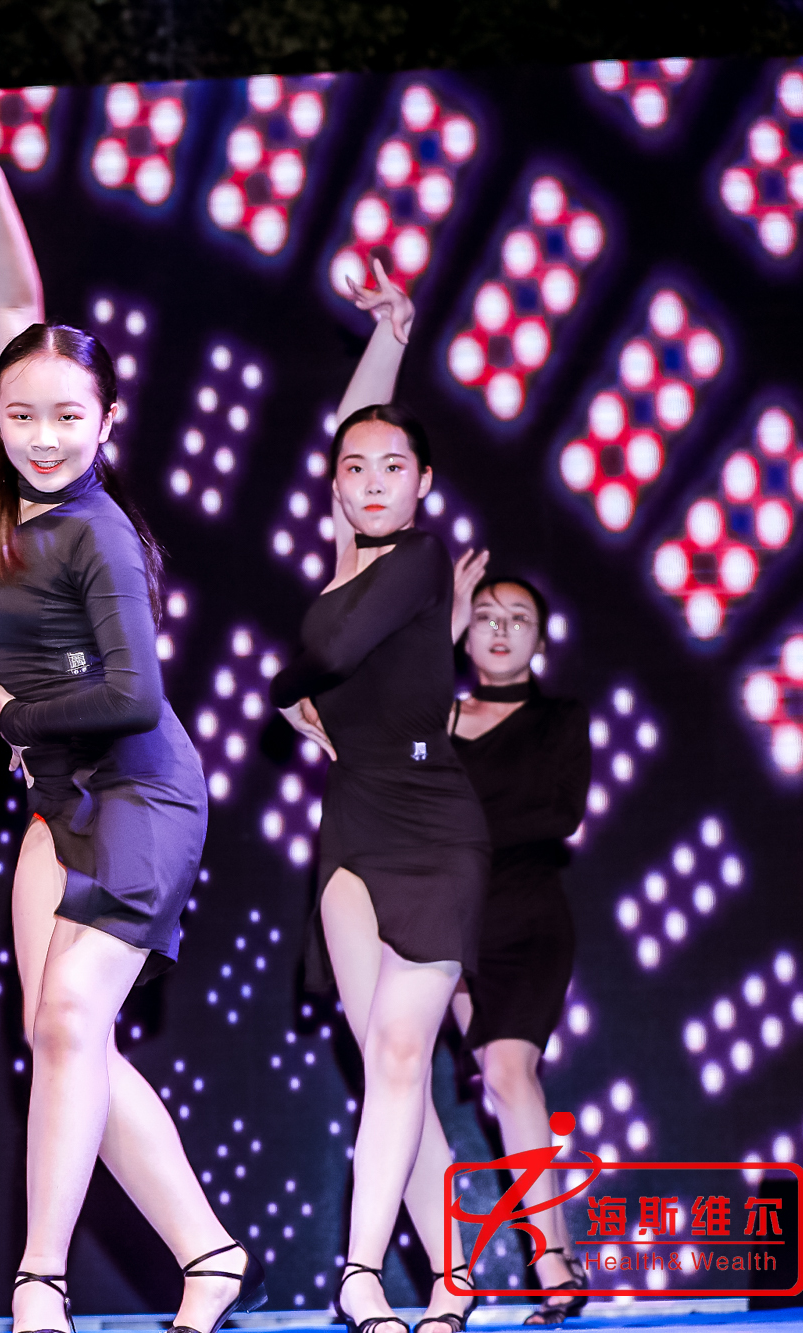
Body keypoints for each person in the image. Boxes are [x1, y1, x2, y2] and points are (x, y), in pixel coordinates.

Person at [0, 141, 261, 1333]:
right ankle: (208, 1250)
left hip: (140, 791)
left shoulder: (95, 532)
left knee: (66, 1024)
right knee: (63, 1038)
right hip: (59, 800)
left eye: (67, 417)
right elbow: (18, 314)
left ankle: (36, 1282)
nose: (43, 436)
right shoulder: (2, 491)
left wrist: (17, 717)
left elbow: (133, 693)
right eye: (21, 415)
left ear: (108, 419)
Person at [271, 273, 490, 1333]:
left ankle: (357, 1274)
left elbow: (327, 648)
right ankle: (456, 1274)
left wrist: (287, 690)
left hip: (437, 828)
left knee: (404, 1055)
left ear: (423, 483)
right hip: (353, 823)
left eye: (392, 468)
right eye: (352, 471)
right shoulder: (346, 556)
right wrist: (389, 335)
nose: (369, 481)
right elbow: (354, 431)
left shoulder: (420, 559)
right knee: (389, 1066)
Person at [444, 569, 591, 1324]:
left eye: (518, 618)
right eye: (486, 615)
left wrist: (460, 825)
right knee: (492, 1083)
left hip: (529, 916)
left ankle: (552, 1262)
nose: (500, 629)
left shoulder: (560, 717)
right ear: (463, 630)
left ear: (539, 639)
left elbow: (560, 814)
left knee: (510, 1071)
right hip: (449, 922)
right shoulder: (432, 716)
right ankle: (546, 1259)